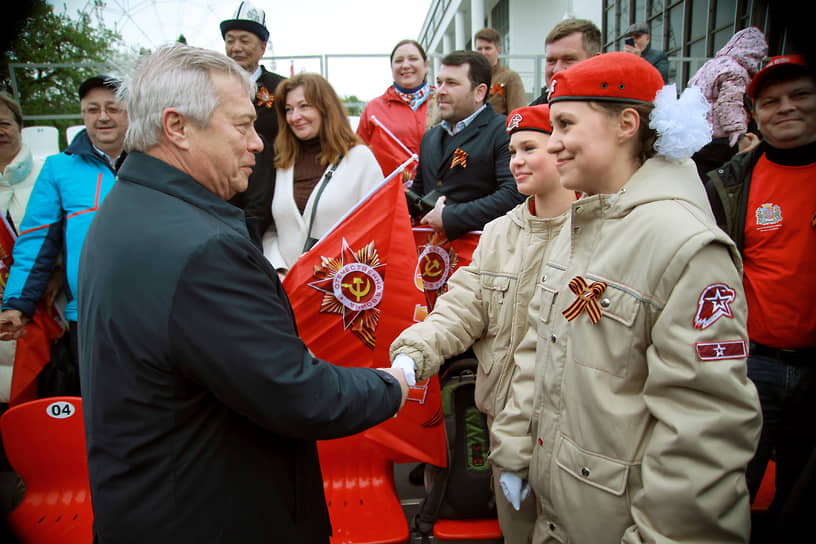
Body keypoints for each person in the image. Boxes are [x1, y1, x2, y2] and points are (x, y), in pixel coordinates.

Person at [78, 43, 409, 544]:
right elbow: (298, 395)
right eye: (241, 125)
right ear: (177, 127)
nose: (258, 143)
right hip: (211, 515)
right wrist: (396, 382)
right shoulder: (200, 247)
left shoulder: (126, 208)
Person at [489, 52, 762, 542]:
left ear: (627, 124)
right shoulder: (582, 223)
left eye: (566, 124)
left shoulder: (684, 244)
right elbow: (539, 348)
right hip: (559, 512)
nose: (553, 146)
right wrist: (513, 448)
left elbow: (703, 434)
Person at [391, 104, 575, 543]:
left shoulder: (596, 234)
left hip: (570, 437)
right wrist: (413, 354)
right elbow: (461, 308)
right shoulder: (499, 233)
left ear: (561, 148)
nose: (516, 160)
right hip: (502, 430)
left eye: (529, 147)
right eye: (512, 150)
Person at [704, 54, 816, 539]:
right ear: (753, 112)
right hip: (752, 362)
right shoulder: (730, 182)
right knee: (730, 487)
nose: (785, 108)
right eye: (770, 101)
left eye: (800, 96)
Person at [0, 75, 127, 387]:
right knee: (100, 407)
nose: (103, 117)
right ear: (82, 115)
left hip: (155, 310)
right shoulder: (58, 168)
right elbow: (36, 243)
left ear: (130, 112)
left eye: (113, 108)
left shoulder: (157, 160)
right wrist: (17, 304)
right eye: (92, 109)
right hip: (87, 315)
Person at [261, 73, 383, 274]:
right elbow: (273, 228)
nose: (294, 117)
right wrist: (278, 269)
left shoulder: (360, 159)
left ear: (325, 108)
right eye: (288, 110)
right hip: (289, 290)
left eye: (304, 106)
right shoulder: (282, 162)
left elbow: (377, 228)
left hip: (342, 291)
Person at [412, 50, 524, 241]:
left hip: (483, 253)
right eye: (439, 83)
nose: (440, 91)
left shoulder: (503, 132)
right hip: (433, 259)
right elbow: (420, 192)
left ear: (479, 92)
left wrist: (450, 216)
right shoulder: (430, 137)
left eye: (452, 83)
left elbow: (514, 195)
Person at [221, 1, 285, 246]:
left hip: (271, 201)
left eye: (244, 40)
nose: (236, 48)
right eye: (230, 40)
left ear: (262, 47)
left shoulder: (281, 89)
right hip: (225, 199)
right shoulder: (211, 87)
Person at [689, 27, 767, 179]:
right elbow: (729, 103)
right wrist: (738, 132)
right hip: (720, 140)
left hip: (698, 136)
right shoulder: (736, 71)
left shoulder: (709, 66)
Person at [357, 39, 437, 179]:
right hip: (392, 194)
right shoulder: (373, 109)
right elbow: (357, 156)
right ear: (392, 68)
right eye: (399, 61)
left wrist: (457, 174)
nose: (405, 65)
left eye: (413, 59)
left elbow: (465, 148)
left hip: (440, 193)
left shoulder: (444, 102)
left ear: (425, 65)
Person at [529, 18, 601, 106]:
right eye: (551, 61)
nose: (557, 70)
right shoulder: (530, 116)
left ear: (595, 62)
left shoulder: (614, 112)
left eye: (568, 59)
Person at [474, 28, 526, 115]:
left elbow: (518, 115)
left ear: (498, 50)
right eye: (479, 49)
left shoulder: (510, 78)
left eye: (488, 48)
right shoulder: (470, 78)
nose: (483, 53)